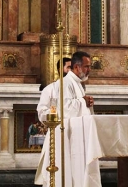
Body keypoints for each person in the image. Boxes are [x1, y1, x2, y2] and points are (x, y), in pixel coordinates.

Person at [35, 52, 95, 186]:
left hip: (76, 134)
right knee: (65, 170)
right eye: (87, 66)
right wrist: (82, 101)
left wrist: (86, 102)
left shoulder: (77, 83)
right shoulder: (65, 83)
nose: (89, 70)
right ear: (77, 67)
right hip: (65, 134)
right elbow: (66, 109)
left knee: (75, 170)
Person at [34, 57, 72, 184]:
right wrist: (55, 114)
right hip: (56, 133)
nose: (71, 71)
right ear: (61, 69)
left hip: (73, 133)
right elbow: (41, 111)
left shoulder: (76, 88)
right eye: (68, 67)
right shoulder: (50, 89)